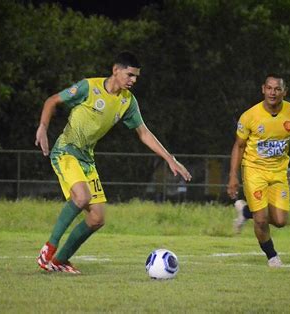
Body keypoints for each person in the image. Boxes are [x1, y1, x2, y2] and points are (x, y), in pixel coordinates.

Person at [35, 51, 192, 274]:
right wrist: (42, 127)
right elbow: (52, 101)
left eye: (136, 77)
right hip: (66, 151)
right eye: (130, 75)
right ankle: (48, 249)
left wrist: (170, 159)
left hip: (87, 159)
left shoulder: (128, 102)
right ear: (115, 70)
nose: (133, 80)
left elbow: (144, 133)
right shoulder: (88, 88)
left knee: (97, 218)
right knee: (82, 196)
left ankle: (59, 261)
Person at [226, 74, 290, 267]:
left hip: (279, 172)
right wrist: (233, 175)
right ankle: (272, 256)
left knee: (280, 221)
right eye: (270, 88)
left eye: (277, 89)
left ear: (284, 92)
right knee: (262, 220)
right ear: (263, 89)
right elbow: (238, 146)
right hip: (254, 170)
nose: (273, 92)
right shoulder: (250, 116)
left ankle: (246, 212)